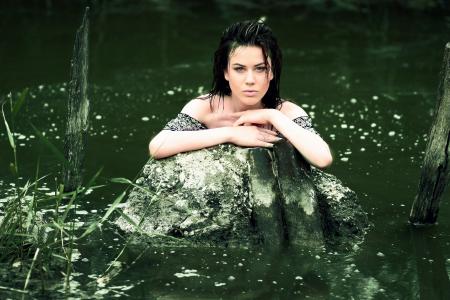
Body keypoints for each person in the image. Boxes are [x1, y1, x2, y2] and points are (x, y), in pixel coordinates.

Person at [149, 20, 332, 169]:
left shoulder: (285, 112)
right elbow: (158, 147)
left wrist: (271, 115)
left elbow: (323, 159)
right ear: (226, 72)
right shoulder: (207, 107)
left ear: (272, 72)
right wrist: (231, 133)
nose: (250, 80)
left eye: (260, 69)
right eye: (239, 69)